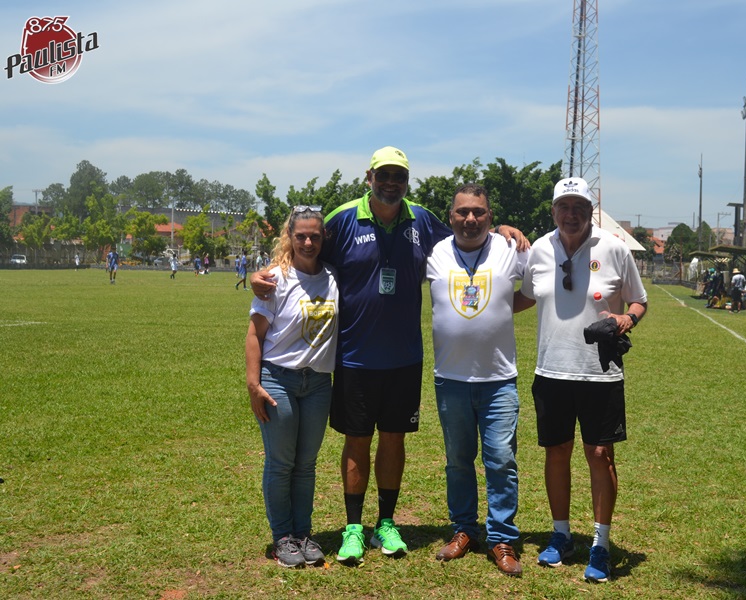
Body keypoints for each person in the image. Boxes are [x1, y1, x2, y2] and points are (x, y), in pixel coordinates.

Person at [251, 146, 527, 565]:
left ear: (407, 181)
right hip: (353, 358)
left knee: (394, 440)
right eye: (384, 175)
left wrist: (503, 227)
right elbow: (306, 246)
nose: (391, 183)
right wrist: (267, 271)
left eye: (399, 176)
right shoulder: (343, 219)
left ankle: (386, 522)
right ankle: (353, 528)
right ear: (369, 177)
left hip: (404, 358)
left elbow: (467, 234)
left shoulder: (422, 221)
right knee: (356, 441)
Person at [515, 177, 647, 583]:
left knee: (600, 455)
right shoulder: (540, 249)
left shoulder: (614, 248)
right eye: (564, 207)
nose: (571, 215)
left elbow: (639, 300)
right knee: (556, 452)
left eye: (579, 207)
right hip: (550, 371)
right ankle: (561, 535)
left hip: (600, 373)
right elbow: (525, 297)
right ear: (553, 211)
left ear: (592, 211)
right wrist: (482, 305)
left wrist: (627, 319)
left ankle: (600, 544)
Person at [426, 184, 529, 576]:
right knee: (457, 461)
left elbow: (536, 289)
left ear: (490, 215)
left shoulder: (511, 249)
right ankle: (464, 529)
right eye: (463, 212)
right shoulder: (434, 253)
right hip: (450, 378)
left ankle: (501, 537)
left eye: (479, 212)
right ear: (451, 216)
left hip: (498, 379)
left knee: (501, 460)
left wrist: (500, 307)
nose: (470, 219)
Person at [245, 205, 339, 568]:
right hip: (278, 380)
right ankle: (282, 537)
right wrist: (253, 384)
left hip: (318, 383)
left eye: (314, 236)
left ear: (323, 237)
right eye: (301, 236)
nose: (308, 242)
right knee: (282, 462)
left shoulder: (333, 276)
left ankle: (302, 534)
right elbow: (255, 334)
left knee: (306, 464)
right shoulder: (276, 279)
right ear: (290, 236)